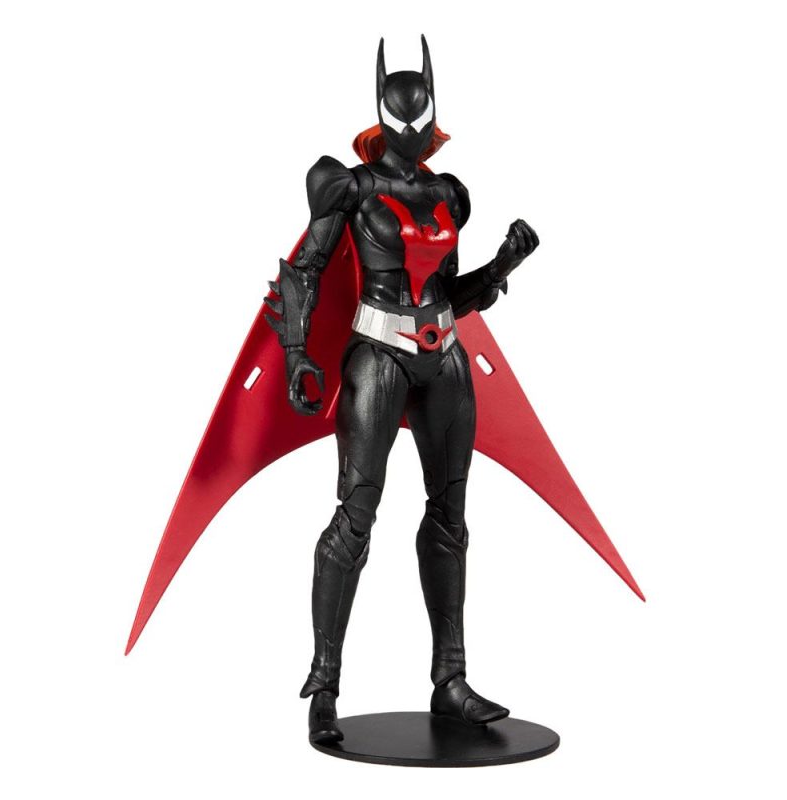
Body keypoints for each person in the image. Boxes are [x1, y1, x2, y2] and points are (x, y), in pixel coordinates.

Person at [267, 36, 539, 744]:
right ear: (383, 113)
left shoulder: (448, 195)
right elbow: (305, 271)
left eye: (422, 116)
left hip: (443, 357)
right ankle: (325, 685)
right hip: (377, 357)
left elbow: (451, 295)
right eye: (402, 115)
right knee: (356, 517)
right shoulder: (349, 187)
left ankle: (450, 680)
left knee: (450, 519)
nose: (413, 128)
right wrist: (296, 355)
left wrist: (502, 265)